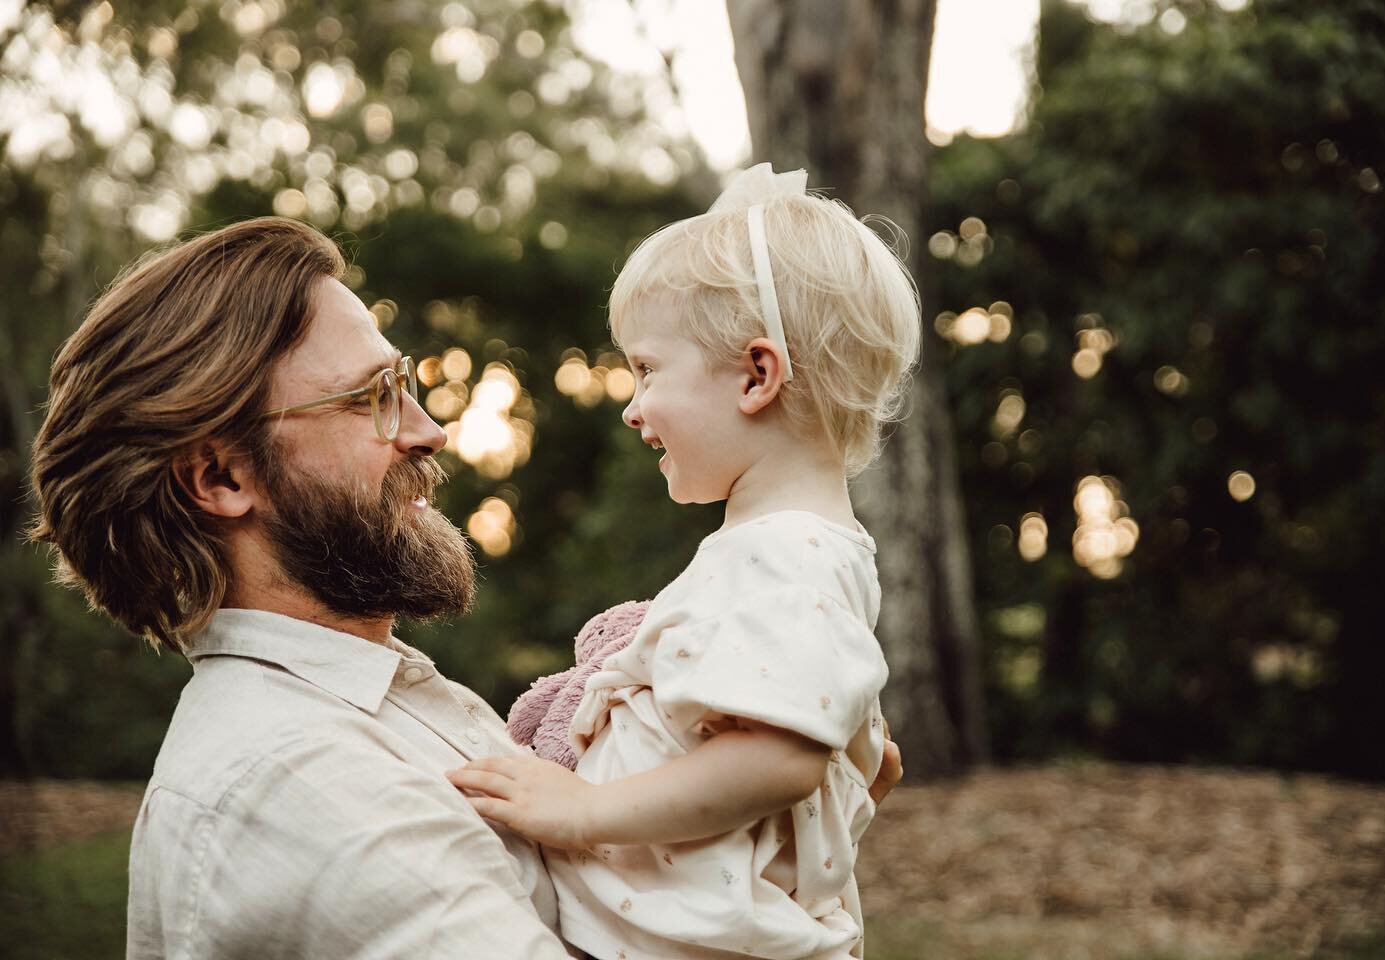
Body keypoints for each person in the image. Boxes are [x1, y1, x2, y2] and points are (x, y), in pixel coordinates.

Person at [27, 217, 572, 958]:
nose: (426, 431)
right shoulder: (301, 780)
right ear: (221, 477)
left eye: (402, 382)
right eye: (368, 398)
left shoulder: (372, 701)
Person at [447, 163, 921, 960]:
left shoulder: (782, 556)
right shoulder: (800, 551)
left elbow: (776, 760)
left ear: (756, 376)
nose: (632, 407)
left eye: (646, 369)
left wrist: (579, 811)